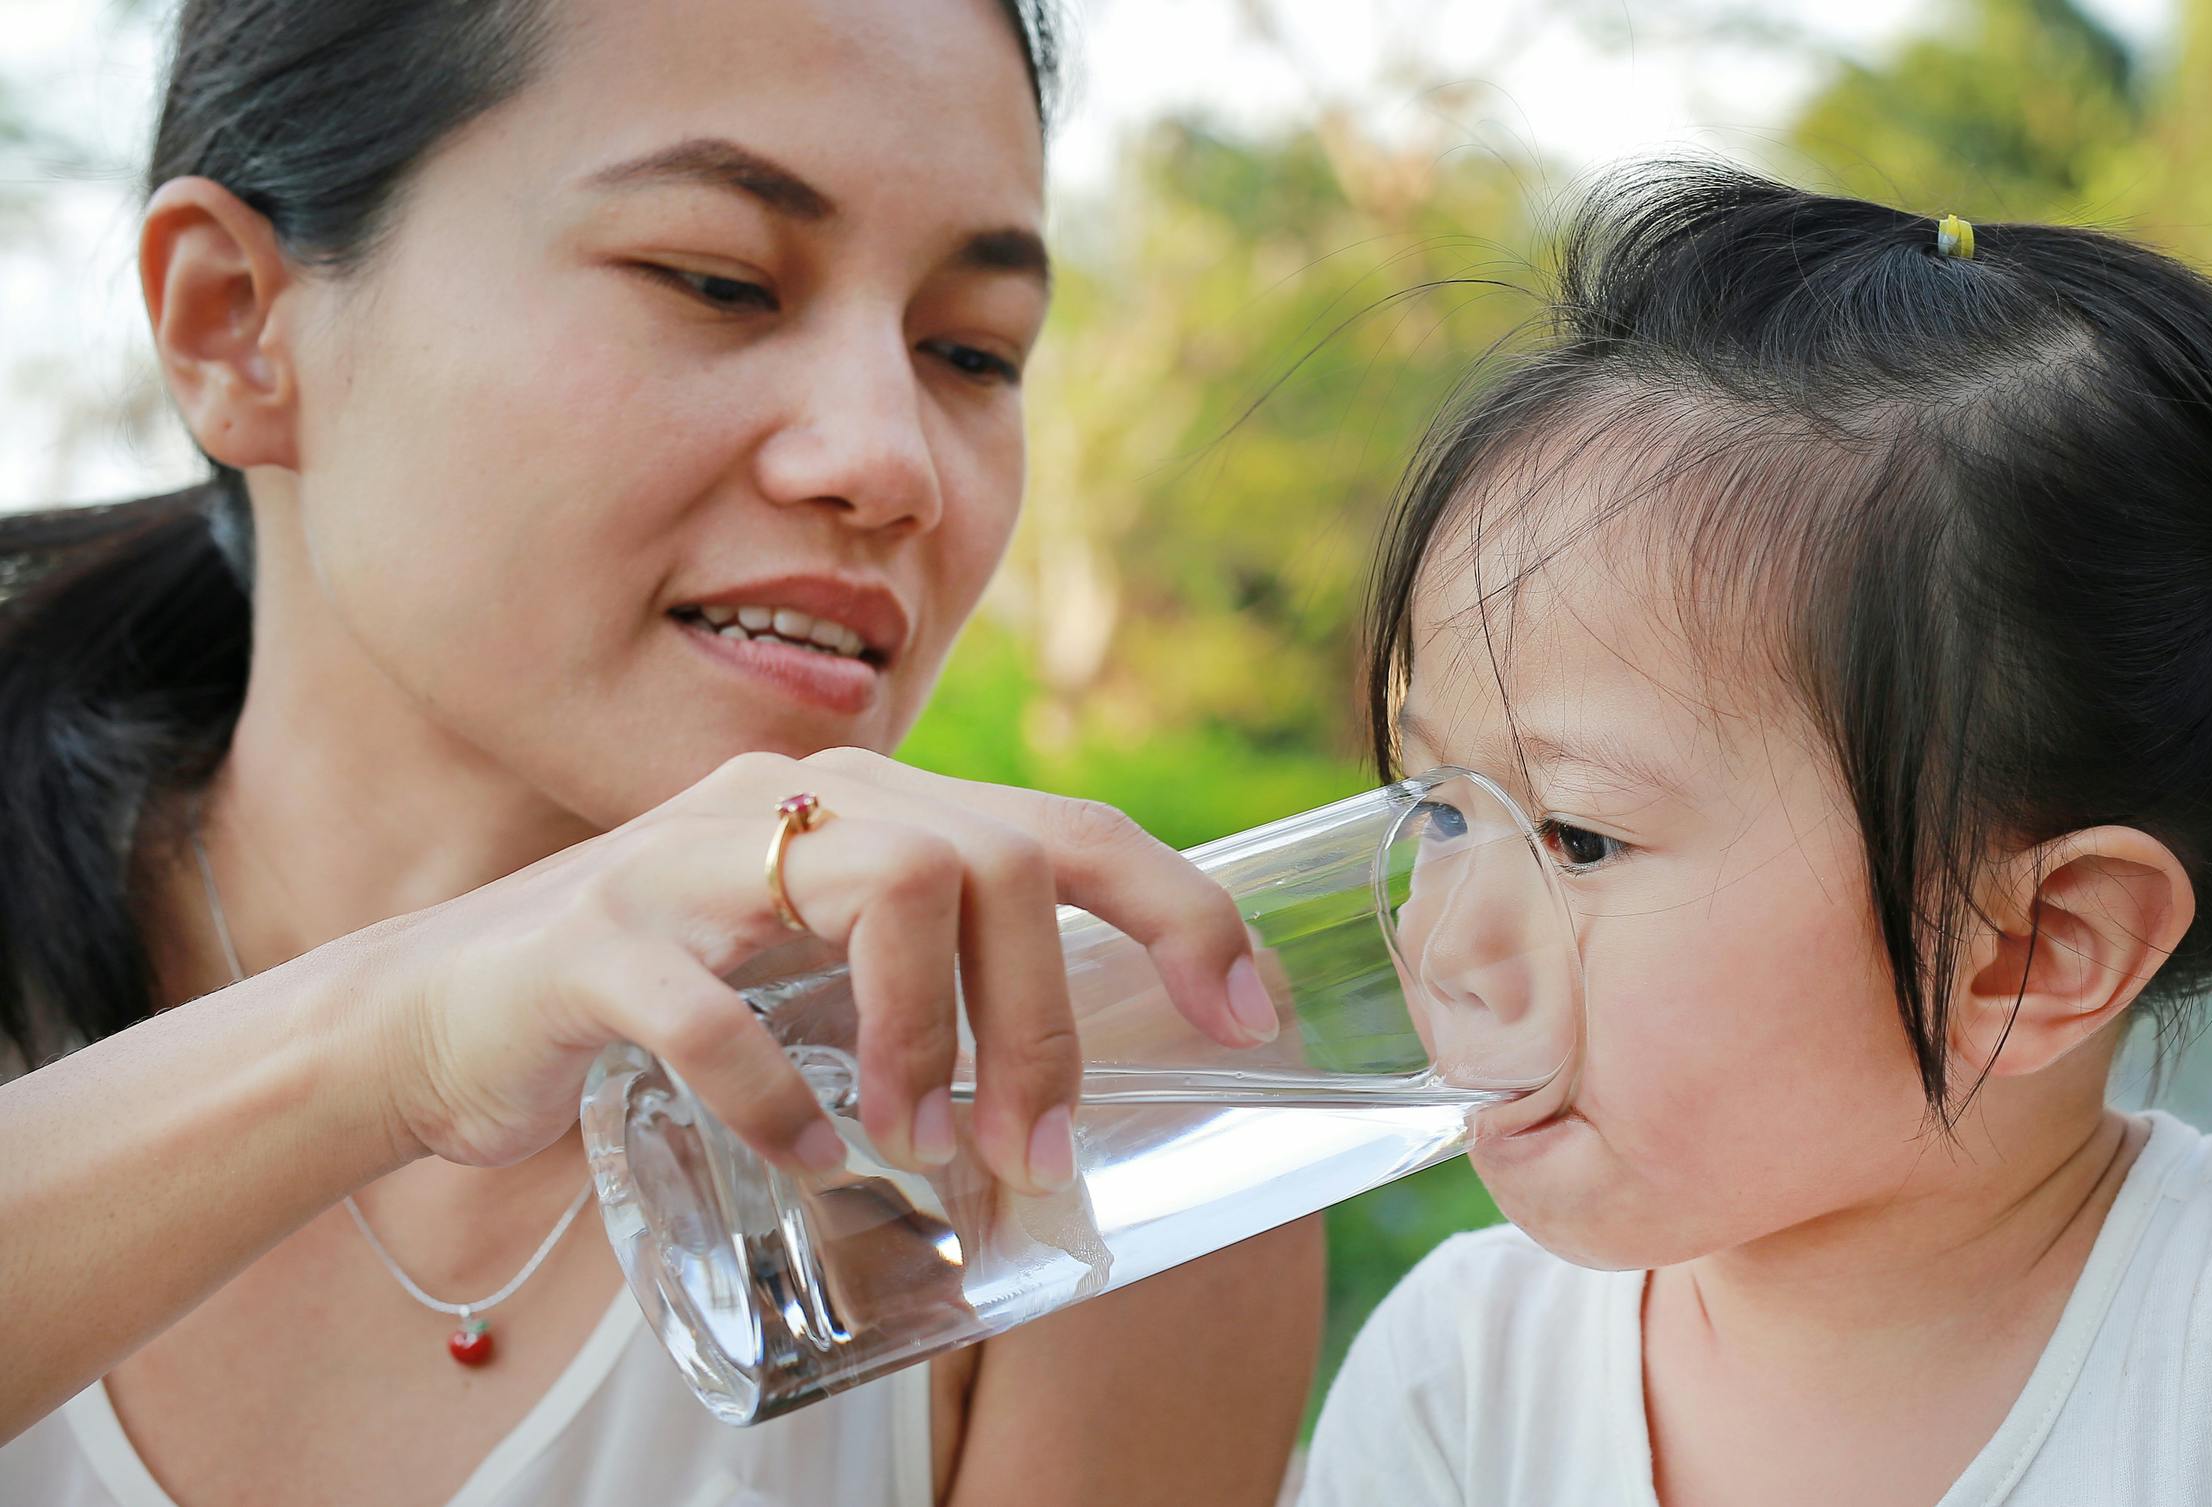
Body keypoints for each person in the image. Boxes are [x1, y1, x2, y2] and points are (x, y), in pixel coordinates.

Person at [0, 1, 1321, 1502]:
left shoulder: (1086, 1118)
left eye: (971, 350)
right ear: (234, 319)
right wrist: (394, 1040)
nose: (889, 462)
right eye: (716, 280)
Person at [1302, 163, 2212, 1506]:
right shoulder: (1467, 1382)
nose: (1440, 939)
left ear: (2035, 947)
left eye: (1576, 839)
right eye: (1438, 806)